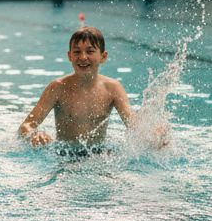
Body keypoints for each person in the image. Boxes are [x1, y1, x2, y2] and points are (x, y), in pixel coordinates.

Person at [19, 26, 151, 149]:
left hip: (98, 155)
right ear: (69, 56)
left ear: (103, 56)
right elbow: (26, 125)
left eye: (90, 51)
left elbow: (133, 124)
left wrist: (152, 136)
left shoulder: (113, 88)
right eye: (77, 51)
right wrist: (34, 135)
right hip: (65, 155)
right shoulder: (58, 88)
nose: (82, 57)